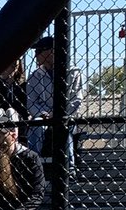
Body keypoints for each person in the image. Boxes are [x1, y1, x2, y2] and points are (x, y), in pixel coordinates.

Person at [26, 35, 83, 168]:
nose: (36, 55)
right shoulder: (35, 75)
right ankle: (34, 165)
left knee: (64, 126)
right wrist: (44, 113)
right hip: (43, 116)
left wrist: (58, 112)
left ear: (51, 52)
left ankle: (70, 168)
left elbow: (77, 100)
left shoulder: (73, 72)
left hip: (66, 114)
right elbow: (31, 102)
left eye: (39, 51)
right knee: (36, 125)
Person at [0, 58, 28, 140]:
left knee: (11, 112)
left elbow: (23, 107)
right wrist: (4, 87)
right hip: (2, 117)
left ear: (14, 67)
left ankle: (14, 140)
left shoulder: (23, 85)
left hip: (18, 118)